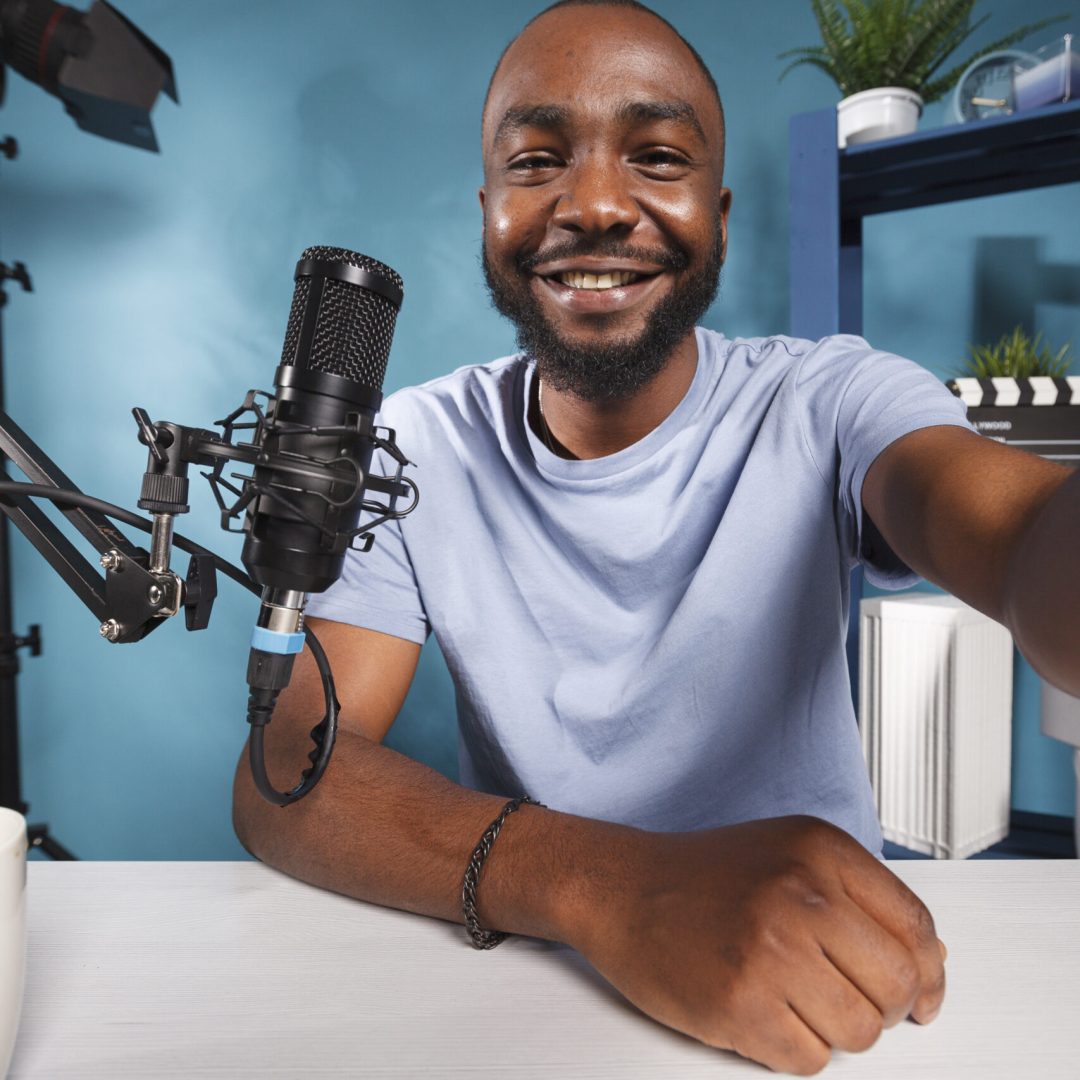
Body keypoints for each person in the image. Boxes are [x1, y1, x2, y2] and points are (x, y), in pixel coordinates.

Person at [232, 1, 1080, 1074]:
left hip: (832, 1007)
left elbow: (1023, 534)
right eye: (538, 161)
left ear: (718, 213)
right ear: (486, 211)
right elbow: (287, 772)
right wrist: (608, 889)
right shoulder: (411, 447)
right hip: (533, 988)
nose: (592, 204)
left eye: (658, 155)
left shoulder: (827, 400)